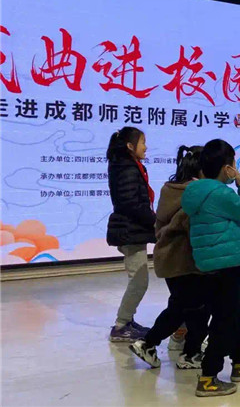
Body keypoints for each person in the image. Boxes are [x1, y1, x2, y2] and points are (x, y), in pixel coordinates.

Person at [182, 139, 240, 397]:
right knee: (225, 319)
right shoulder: (220, 193)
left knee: (235, 313)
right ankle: (208, 377)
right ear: (226, 167)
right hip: (226, 263)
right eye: (233, 164)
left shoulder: (195, 191)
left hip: (211, 263)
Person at [129, 146, 210, 370]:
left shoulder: (171, 188)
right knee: (195, 308)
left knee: (183, 305)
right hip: (187, 260)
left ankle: (179, 348)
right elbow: (193, 225)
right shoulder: (197, 192)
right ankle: (170, 348)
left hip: (168, 259)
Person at [106, 127, 156, 342]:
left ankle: (127, 321)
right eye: (142, 142)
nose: (145, 147)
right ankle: (121, 325)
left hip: (132, 230)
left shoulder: (126, 166)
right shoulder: (126, 168)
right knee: (139, 280)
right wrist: (156, 222)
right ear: (130, 146)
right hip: (130, 230)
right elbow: (131, 205)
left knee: (138, 278)